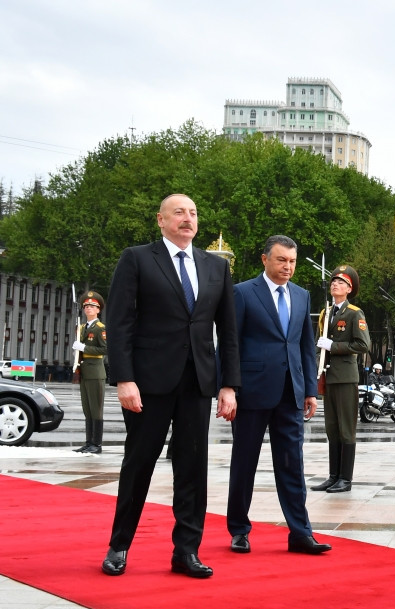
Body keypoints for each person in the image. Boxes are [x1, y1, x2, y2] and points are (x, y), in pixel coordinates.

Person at [101, 193, 240, 579]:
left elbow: (228, 332)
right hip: (148, 382)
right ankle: (119, 546)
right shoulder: (138, 259)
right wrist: (124, 378)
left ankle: (186, 551)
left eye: (193, 213)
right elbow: (121, 322)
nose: (187, 218)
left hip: (198, 382)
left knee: (192, 468)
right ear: (160, 220)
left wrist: (229, 385)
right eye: (178, 212)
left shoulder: (215, 267)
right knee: (139, 463)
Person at [225, 235, 330, 556]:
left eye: (293, 262)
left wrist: (310, 389)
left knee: (292, 464)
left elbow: (302, 345)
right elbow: (231, 344)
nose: (288, 267)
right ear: (265, 259)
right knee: (244, 463)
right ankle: (239, 530)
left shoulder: (301, 296)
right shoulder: (243, 293)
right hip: (251, 393)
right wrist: (227, 387)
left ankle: (300, 532)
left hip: (290, 393)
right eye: (282, 260)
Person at [309, 265, 371, 494]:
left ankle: (346, 478)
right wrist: (316, 366)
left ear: (349, 288)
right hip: (329, 376)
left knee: (346, 429)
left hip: (345, 378)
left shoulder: (355, 313)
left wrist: (334, 346)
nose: (335, 284)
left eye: (340, 282)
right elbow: (318, 344)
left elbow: (363, 345)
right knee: (332, 428)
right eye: (334, 281)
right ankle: (333, 476)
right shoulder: (326, 313)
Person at [72, 291, 107, 455]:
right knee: (87, 409)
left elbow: (105, 349)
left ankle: (97, 444)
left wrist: (84, 348)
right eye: (86, 306)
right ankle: (89, 442)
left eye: (92, 306)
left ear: (98, 309)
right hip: (84, 371)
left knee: (96, 409)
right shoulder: (81, 328)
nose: (88, 308)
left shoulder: (100, 329)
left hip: (96, 372)